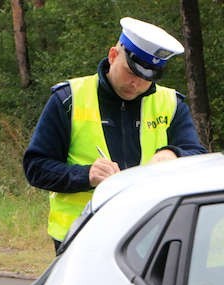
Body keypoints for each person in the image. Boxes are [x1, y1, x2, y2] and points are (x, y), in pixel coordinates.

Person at [23, 17, 207, 251]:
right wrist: (86, 175)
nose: (136, 84)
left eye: (148, 78)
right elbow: (36, 167)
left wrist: (173, 154)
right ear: (113, 56)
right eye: (131, 72)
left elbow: (198, 158)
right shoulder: (68, 99)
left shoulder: (170, 103)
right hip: (82, 235)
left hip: (151, 234)